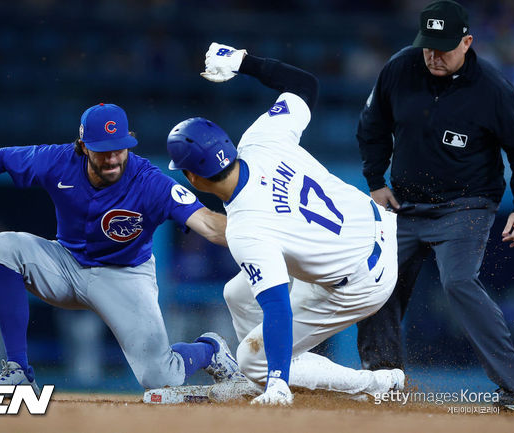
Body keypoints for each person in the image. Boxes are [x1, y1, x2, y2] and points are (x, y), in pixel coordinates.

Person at [0, 102, 241, 394]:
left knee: (160, 378)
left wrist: (261, 230)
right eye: (103, 150)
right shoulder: (58, 160)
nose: (112, 158)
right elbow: (0, 158)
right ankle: (18, 371)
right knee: (2, 246)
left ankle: (209, 349)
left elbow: (210, 226)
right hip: (66, 264)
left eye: (120, 147)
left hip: (125, 276)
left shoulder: (150, 181)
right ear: (83, 146)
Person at [166, 42, 404, 405]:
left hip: (360, 281)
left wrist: (277, 380)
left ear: (193, 178)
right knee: (237, 293)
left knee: (251, 358)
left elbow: (278, 305)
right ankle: (265, 375)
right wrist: (245, 62)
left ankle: (373, 385)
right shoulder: (261, 138)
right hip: (375, 225)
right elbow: (305, 85)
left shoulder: (245, 227)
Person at [355, 0, 514, 412]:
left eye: (444, 48)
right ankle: (384, 380)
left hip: (465, 207)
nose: (433, 55)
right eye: (428, 46)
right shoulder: (399, 69)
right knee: (374, 283)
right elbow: (372, 128)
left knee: (458, 282)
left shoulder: (492, 88)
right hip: (404, 204)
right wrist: (376, 182)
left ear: (467, 42)